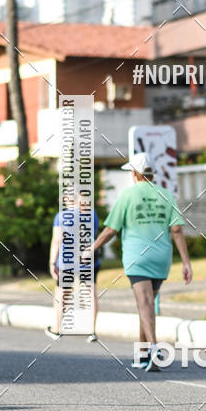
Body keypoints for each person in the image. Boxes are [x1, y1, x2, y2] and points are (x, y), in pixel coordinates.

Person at [90, 152, 192, 371]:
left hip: (137, 257)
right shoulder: (166, 195)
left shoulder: (127, 195)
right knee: (146, 305)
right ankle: (143, 354)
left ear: (135, 173)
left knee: (144, 304)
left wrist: (92, 249)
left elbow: (111, 230)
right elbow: (176, 230)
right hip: (161, 258)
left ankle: (154, 348)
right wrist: (186, 262)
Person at [45, 190, 100, 342]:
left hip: (67, 262)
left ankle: (57, 329)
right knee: (91, 294)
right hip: (88, 261)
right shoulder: (92, 214)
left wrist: (52, 262)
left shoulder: (61, 216)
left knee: (62, 294)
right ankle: (92, 331)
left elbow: (57, 241)